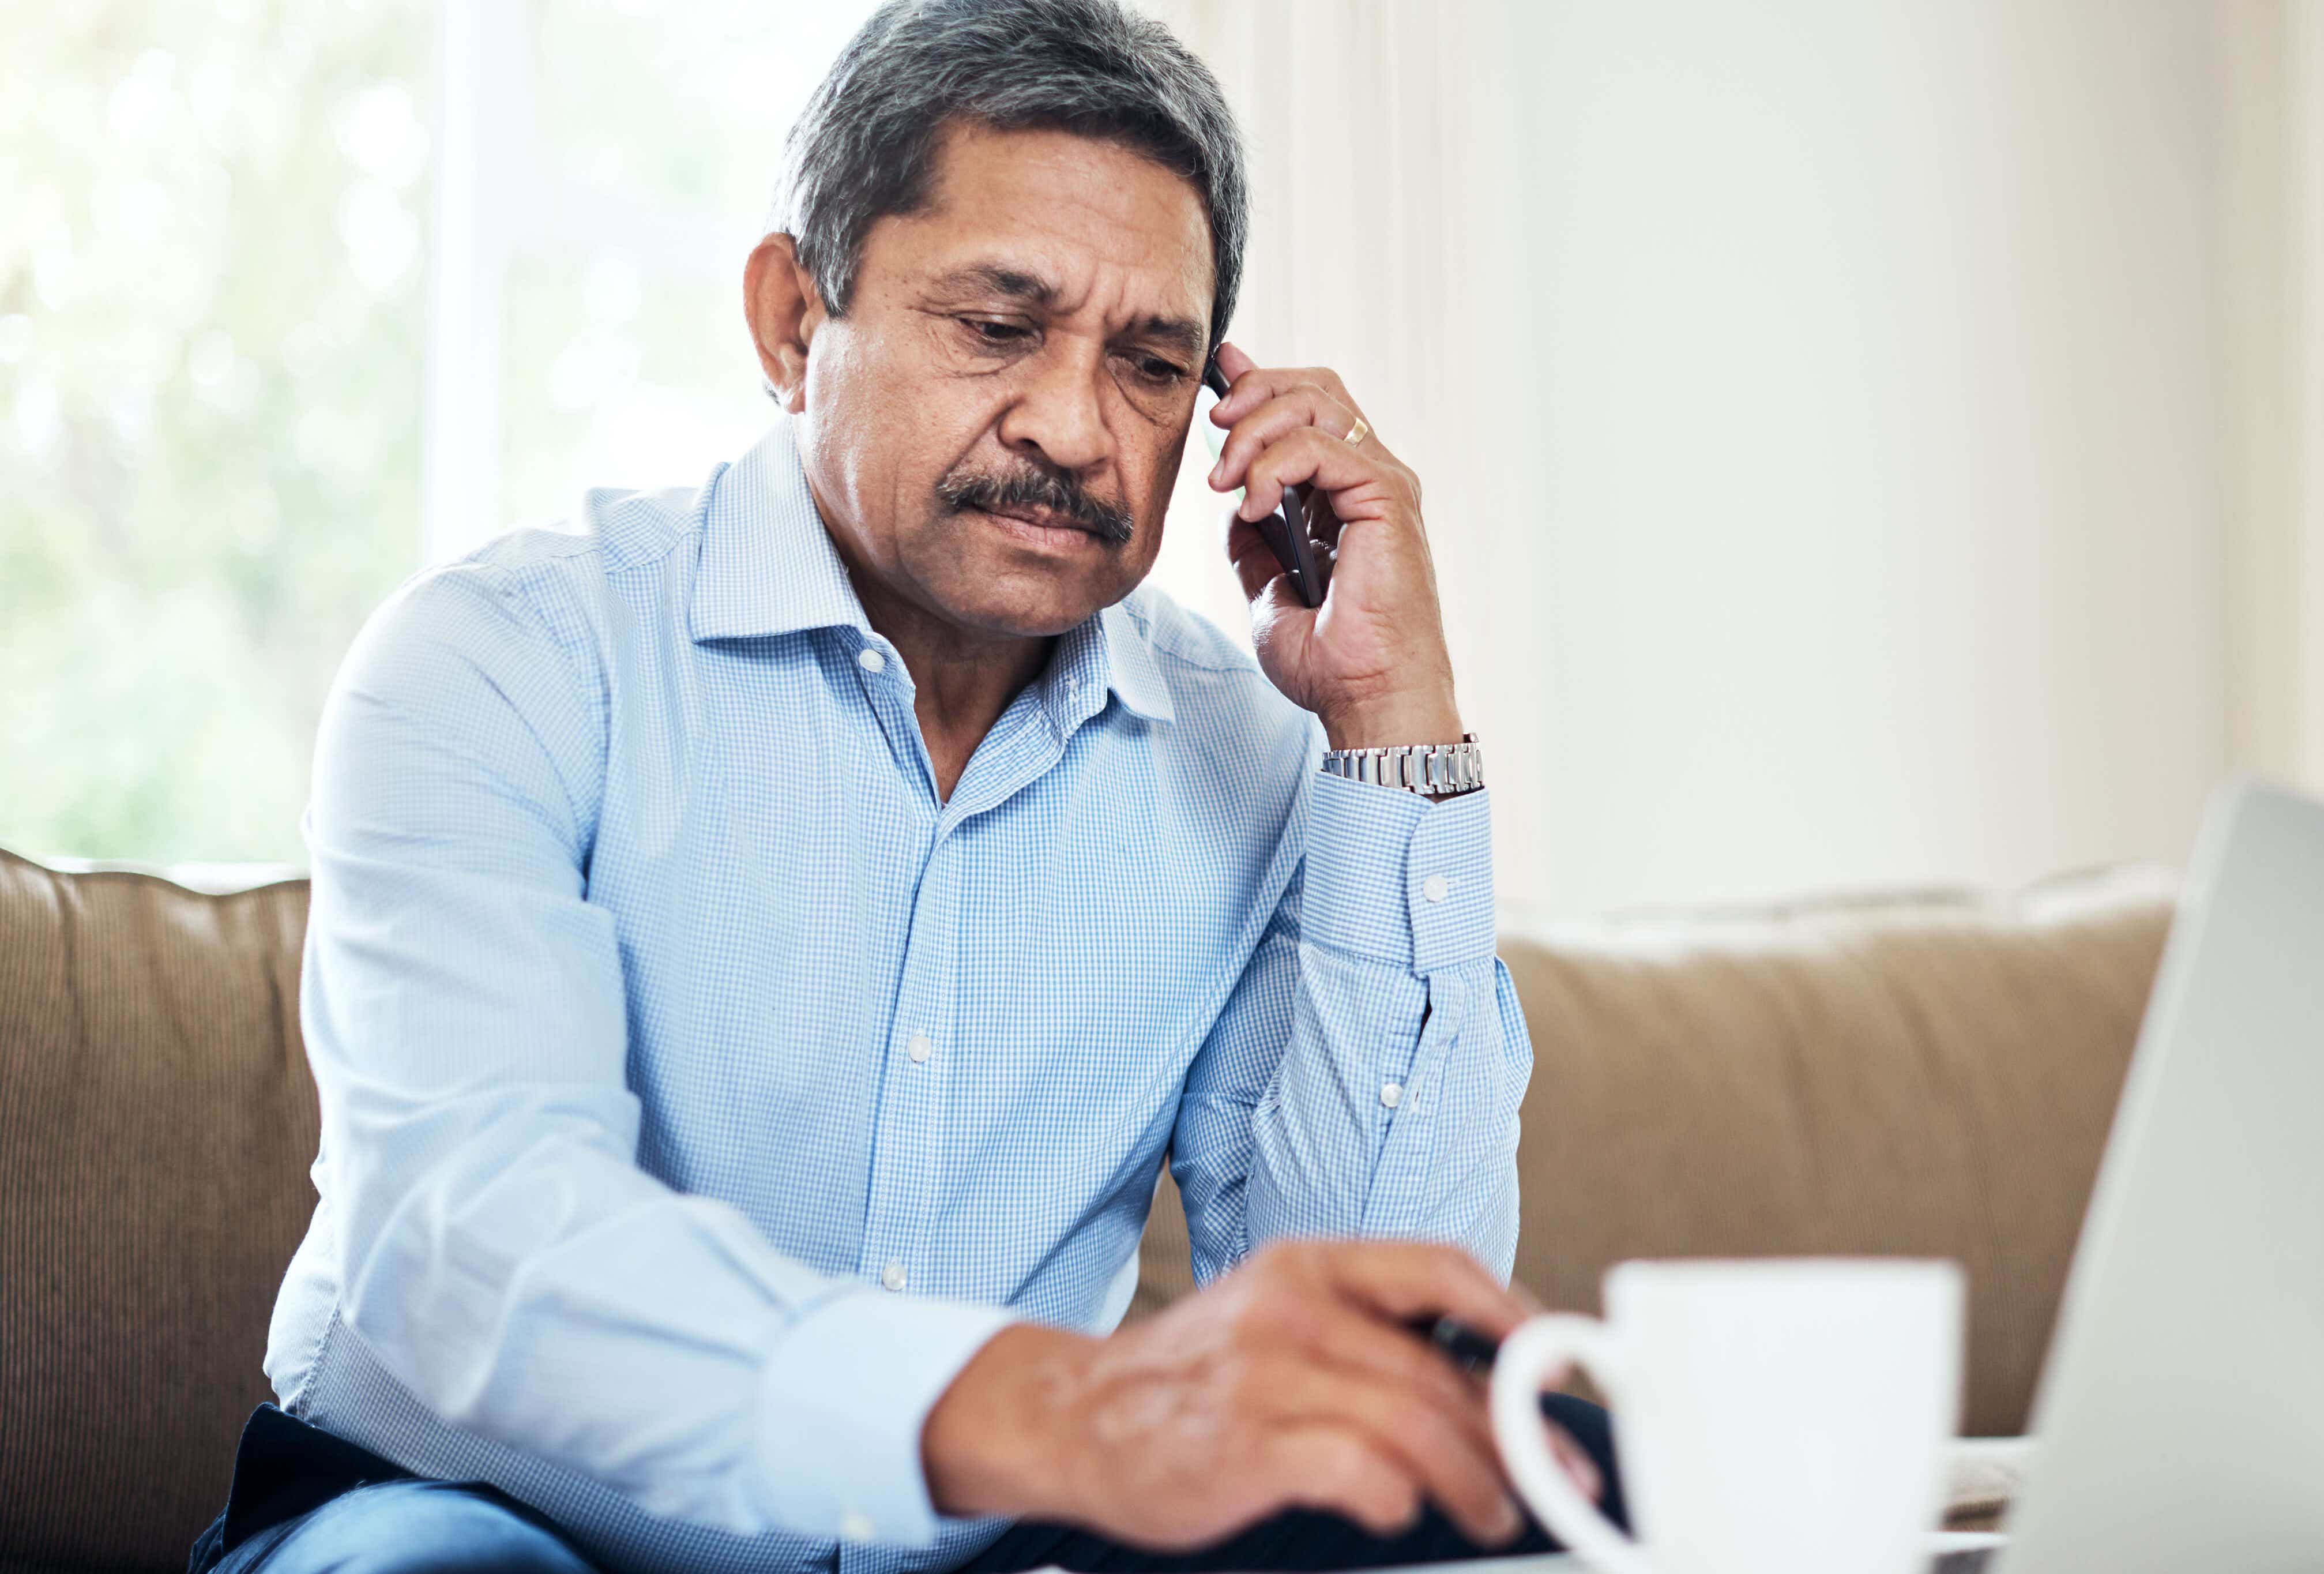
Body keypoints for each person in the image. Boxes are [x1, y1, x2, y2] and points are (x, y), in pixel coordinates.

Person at [189, 2, 1619, 1571]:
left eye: (1148, 366)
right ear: (794, 322)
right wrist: (1055, 1411)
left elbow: (1380, 1338)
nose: (1075, 428)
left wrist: (1389, 720)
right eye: (998, 326)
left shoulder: (1251, 757)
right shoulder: (503, 661)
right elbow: (477, 1248)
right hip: (473, 1521)